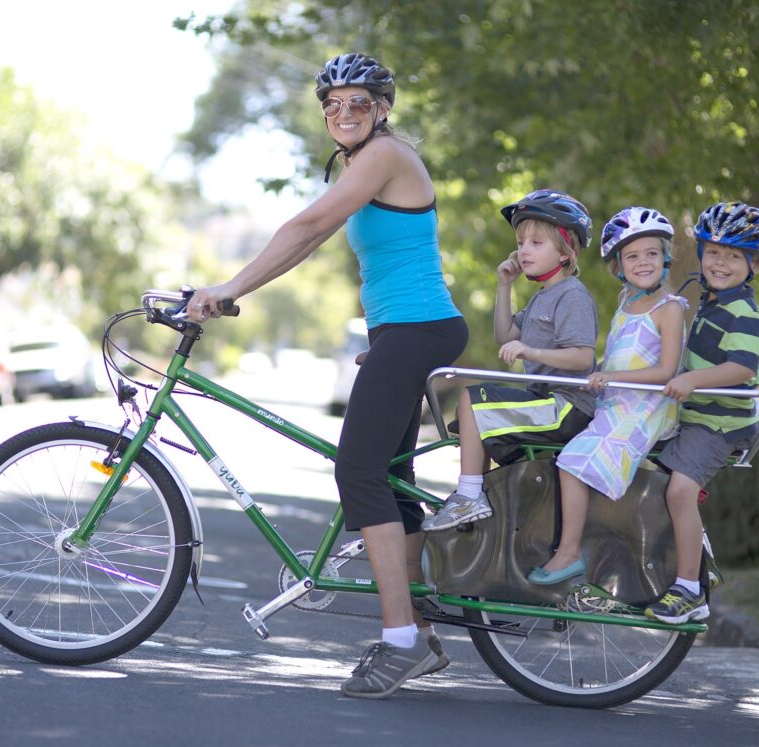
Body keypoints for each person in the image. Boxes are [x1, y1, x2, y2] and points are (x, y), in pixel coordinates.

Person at [185, 53, 468, 698]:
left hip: (420, 330)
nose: (343, 113)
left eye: (358, 103)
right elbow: (311, 239)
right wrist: (239, 290)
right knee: (393, 482)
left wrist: (231, 285)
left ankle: (399, 640)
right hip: (402, 334)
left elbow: (309, 226)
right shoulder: (359, 162)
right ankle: (419, 636)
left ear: (383, 109)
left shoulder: (386, 156)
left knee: (358, 472)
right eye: (332, 105)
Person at [528, 207, 687, 584]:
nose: (643, 262)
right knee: (561, 456)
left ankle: (569, 555)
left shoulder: (669, 309)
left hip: (646, 408)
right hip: (614, 405)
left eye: (652, 253)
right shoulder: (625, 302)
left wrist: (609, 375)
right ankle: (570, 538)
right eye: (632, 256)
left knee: (572, 463)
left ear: (665, 258)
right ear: (619, 264)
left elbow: (666, 370)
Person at [422, 190, 597, 532]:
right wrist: (505, 285)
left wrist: (530, 351)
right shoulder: (541, 297)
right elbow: (505, 336)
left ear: (565, 253)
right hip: (546, 401)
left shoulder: (572, 295)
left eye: (536, 242)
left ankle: (470, 495)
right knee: (470, 411)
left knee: (473, 401)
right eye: (520, 242)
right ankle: (480, 498)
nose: (523, 250)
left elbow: (582, 358)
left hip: (568, 407)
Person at [646, 201, 759, 624]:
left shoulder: (745, 314)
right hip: (694, 414)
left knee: (679, 491)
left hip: (720, 424)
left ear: (753, 264)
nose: (721, 263)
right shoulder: (708, 302)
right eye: (713, 252)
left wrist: (691, 381)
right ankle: (680, 554)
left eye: (734, 256)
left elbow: (740, 367)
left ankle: (689, 589)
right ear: (700, 254)